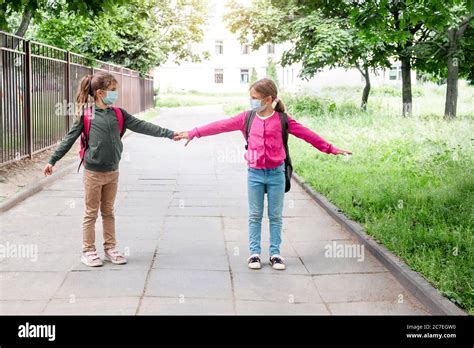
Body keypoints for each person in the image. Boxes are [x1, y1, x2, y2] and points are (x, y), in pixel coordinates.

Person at [175, 78, 352, 270]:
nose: (251, 101)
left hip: (276, 174)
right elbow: (220, 125)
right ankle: (254, 254)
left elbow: (308, 135)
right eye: (251, 97)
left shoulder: (283, 120)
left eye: (254, 98)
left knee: (275, 216)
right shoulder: (247, 118)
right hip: (255, 174)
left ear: (268, 100)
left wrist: (331, 149)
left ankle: (275, 254)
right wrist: (193, 133)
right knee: (255, 215)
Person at [43, 72, 178, 267]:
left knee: (108, 212)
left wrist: (169, 134)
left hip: (113, 172)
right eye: (113, 91)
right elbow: (69, 139)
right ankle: (88, 250)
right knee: (91, 213)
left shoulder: (119, 114)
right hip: (93, 173)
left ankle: (110, 248)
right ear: (99, 93)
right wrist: (52, 160)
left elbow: (143, 126)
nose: (116, 94)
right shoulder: (87, 115)